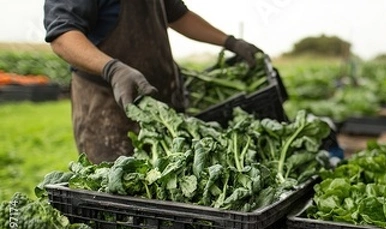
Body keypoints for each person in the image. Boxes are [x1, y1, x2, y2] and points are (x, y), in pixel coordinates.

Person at [43, 0, 262, 164]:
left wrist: (229, 42)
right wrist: (112, 69)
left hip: (163, 107)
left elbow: (178, 15)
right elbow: (63, 35)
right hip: (109, 112)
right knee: (120, 202)